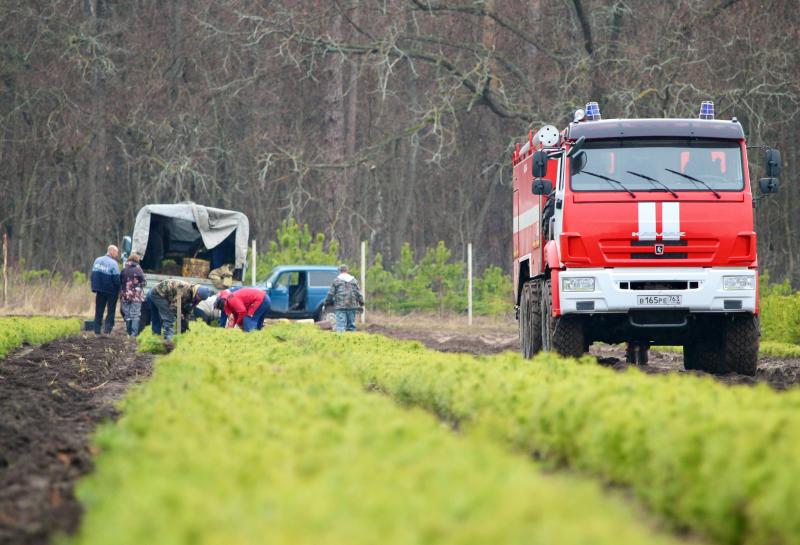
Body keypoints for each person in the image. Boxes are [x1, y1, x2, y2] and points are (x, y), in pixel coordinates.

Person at [91, 245, 121, 335]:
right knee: (111, 311)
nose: (117, 255)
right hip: (111, 291)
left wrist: (94, 287)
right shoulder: (113, 263)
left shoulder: (97, 260)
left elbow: (93, 275)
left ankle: (97, 331)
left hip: (99, 290)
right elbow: (116, 279)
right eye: (116, 252)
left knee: (99, 310)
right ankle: (107, 330)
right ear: (111, 251)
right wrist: (119, 290)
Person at [324, 264, 364, 332]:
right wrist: (361, 302)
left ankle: (341, 340)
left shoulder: (336, 280)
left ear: (340, 271)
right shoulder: (354, 280)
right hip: (352, 306)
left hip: (340, 306)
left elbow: (330, 293)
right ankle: (351, 340)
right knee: (351, 326)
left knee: (340, 326)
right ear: (347, 270)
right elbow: (358, 293)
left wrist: (326, 302)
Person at [119, 252, 146, 336]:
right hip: (136, 296)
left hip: (125, 295)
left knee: (127, 315)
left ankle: (128, 333)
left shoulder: (124, 270)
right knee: (135, 315)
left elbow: (120, 282)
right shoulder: (139, 270)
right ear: (137, 260)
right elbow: (144, 282)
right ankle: (133, 334)